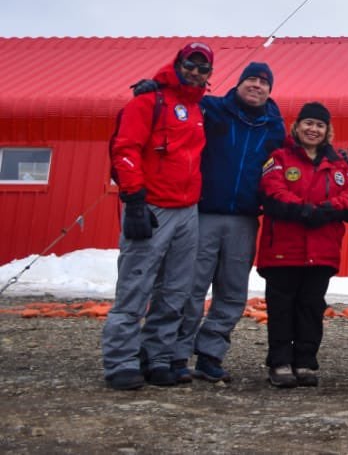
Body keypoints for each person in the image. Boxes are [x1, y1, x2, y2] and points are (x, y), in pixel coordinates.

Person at [102, 42, 212, 390]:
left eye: (203, 68)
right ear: (177, 64)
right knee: (136, 284)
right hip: (151, 206)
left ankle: (158, 357)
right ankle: (121, 360)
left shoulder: (199, 109)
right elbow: (125, 148)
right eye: (189, 65)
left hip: (187, 210)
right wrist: (134, 198)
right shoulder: (148, 101)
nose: (195, 72)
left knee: (175, 289)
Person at [175, 61, 285, 383]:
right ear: (238, 83)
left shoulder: (275, 126)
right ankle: (177, 354)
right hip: (205, 213)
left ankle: (210, 354)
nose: (257, 85)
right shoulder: (212, 109)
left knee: (233, 292)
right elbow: (181, 99)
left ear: (270, 90)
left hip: (245, 219)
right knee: (191, 288)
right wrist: (156, 87)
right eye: (251, 79)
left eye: (264, 82)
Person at [257, 102, 348, 387]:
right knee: (281, 309)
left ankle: (305, 362)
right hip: (283, 251)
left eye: (319, 125)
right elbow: (273, 191)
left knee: (311, 308)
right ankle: (279, 363)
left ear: (327, 130)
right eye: (308, 123)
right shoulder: (278, 158)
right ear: (297, 126)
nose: (313, 129)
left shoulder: (339, 163)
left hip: (322, 251)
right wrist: (306, 211)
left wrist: (326, 209)